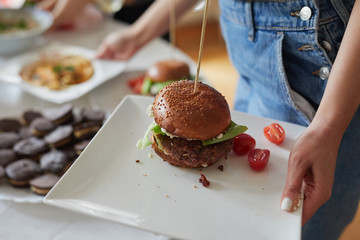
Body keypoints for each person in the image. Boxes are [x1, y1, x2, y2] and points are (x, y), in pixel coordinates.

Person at [41, 0, 360, 239]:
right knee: (229, 224)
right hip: (253, 69)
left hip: (337, 92)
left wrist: (329, 125)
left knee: (301, 229)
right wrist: (138, 34)